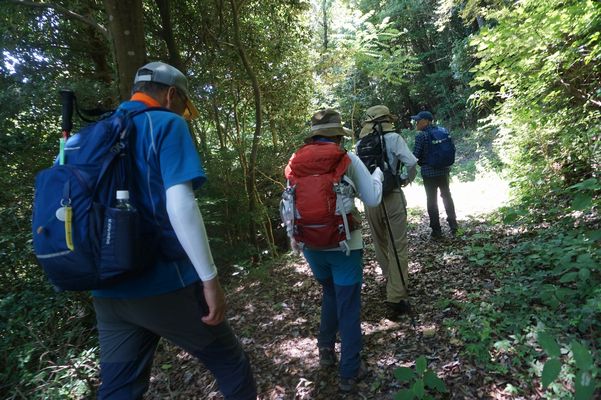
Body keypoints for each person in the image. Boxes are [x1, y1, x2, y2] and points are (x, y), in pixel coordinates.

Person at [91, 62, 256, 399]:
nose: (183, 113)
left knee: (119, 390)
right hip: (164, 283)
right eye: (184, 104)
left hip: (106, 290)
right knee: (232, 365)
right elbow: (181, 204)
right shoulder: (167, 123)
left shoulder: (93, 133)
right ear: (171, 95)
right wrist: (210, 280)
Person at [283, 109, 383, 393]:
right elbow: (373, 198)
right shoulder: (346, 158)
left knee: (330, 293)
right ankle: (349, 372)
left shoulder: (295, 161)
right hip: (344, 245)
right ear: (338, 135)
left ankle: (325, 349)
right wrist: (377, 174)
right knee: (348, 305)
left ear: (314, 135)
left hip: (311, 245)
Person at [356, 105, 418, 319]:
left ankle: (391, 280)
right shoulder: (394, 138)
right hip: (392, 196)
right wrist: (406, 179)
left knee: (380, 243)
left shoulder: (360, 144)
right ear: (387, 120)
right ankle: (396, 295)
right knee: (398, 246)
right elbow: (411, 162)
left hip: (371, 201)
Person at [411, 110, 458, 238]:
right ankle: (453, 225)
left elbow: (415, 155)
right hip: (444, 170)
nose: (416, 122)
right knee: (447, 196)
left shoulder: (421, 136)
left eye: (418, 120)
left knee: (432, 200)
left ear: (426, 121)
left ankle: (436, 230)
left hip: (428, 172)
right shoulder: (443, 131)